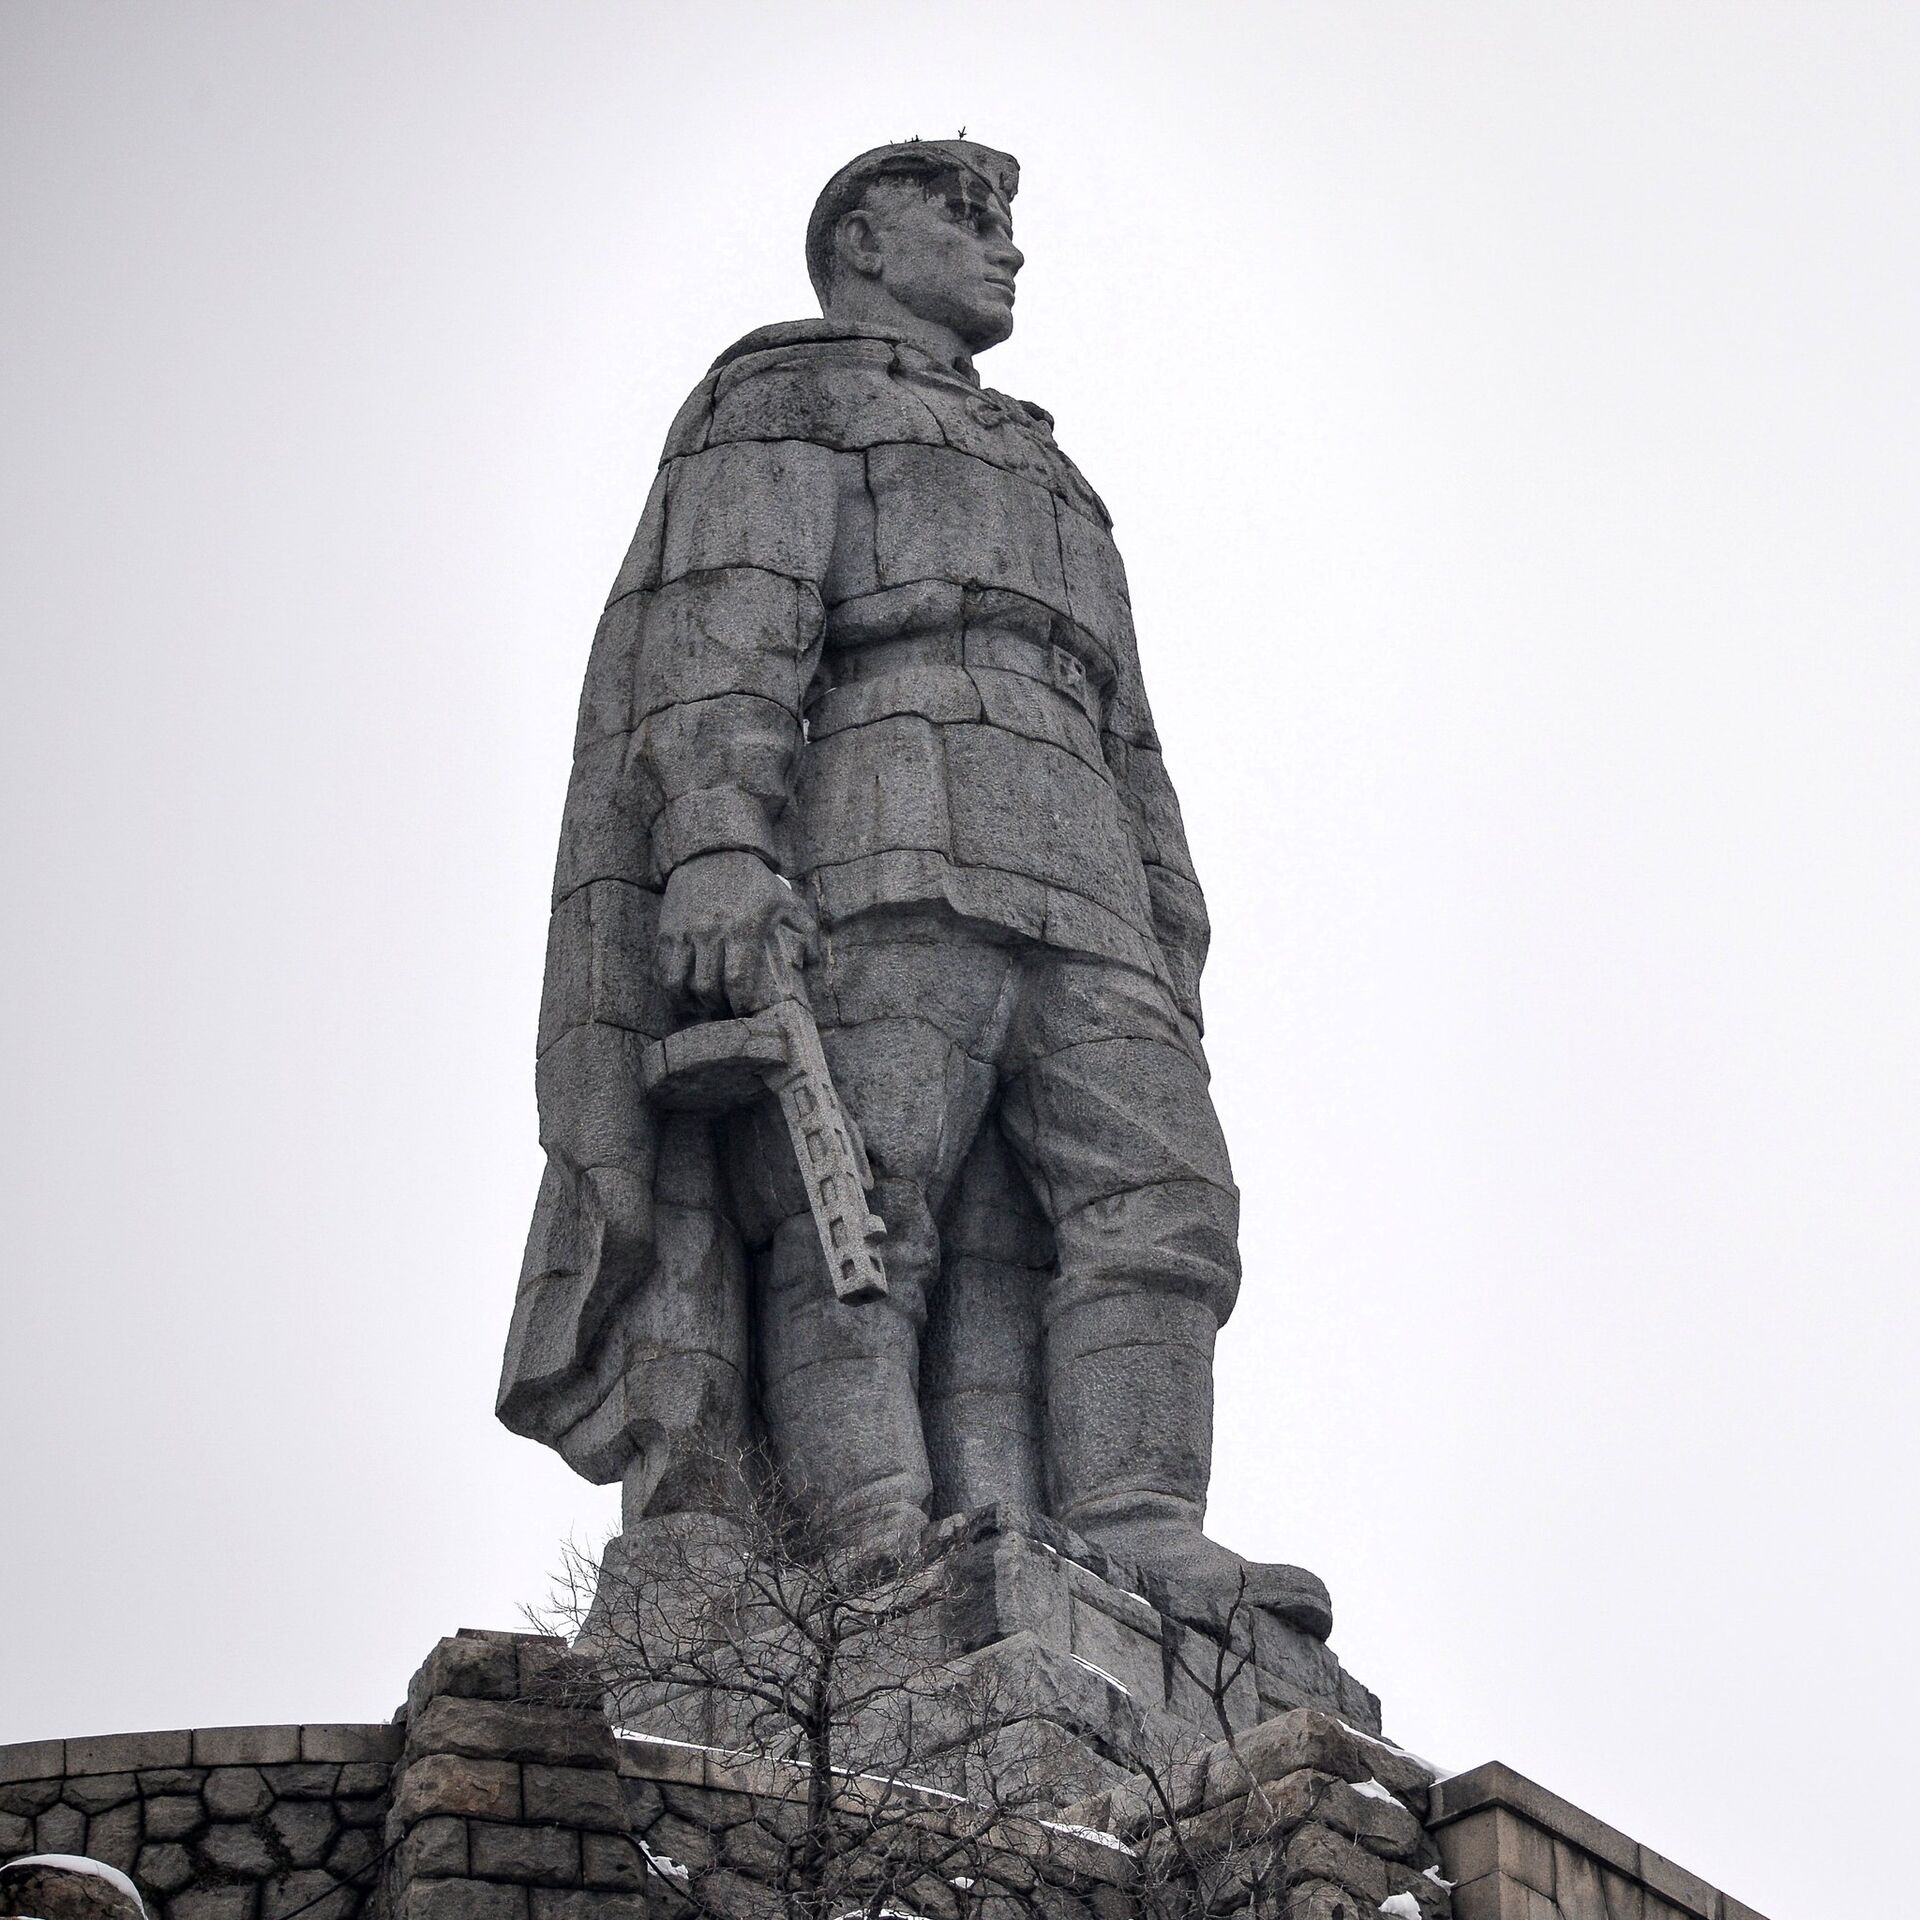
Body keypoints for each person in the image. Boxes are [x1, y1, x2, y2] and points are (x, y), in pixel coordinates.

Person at [500, 140, 1331, 1639]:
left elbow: (1129, 720)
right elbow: (724, 627)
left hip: (1086, 868)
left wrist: (1171, 911)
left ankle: (1138, 1514)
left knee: (1169, 1201)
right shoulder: (787, 396)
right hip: (883, 818)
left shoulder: (1051, 465)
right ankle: (863, 1527)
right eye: (965, 215)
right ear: (863, 242)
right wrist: (717, 838)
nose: (1004, 247)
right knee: (857, 1198)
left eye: (1007, 220)